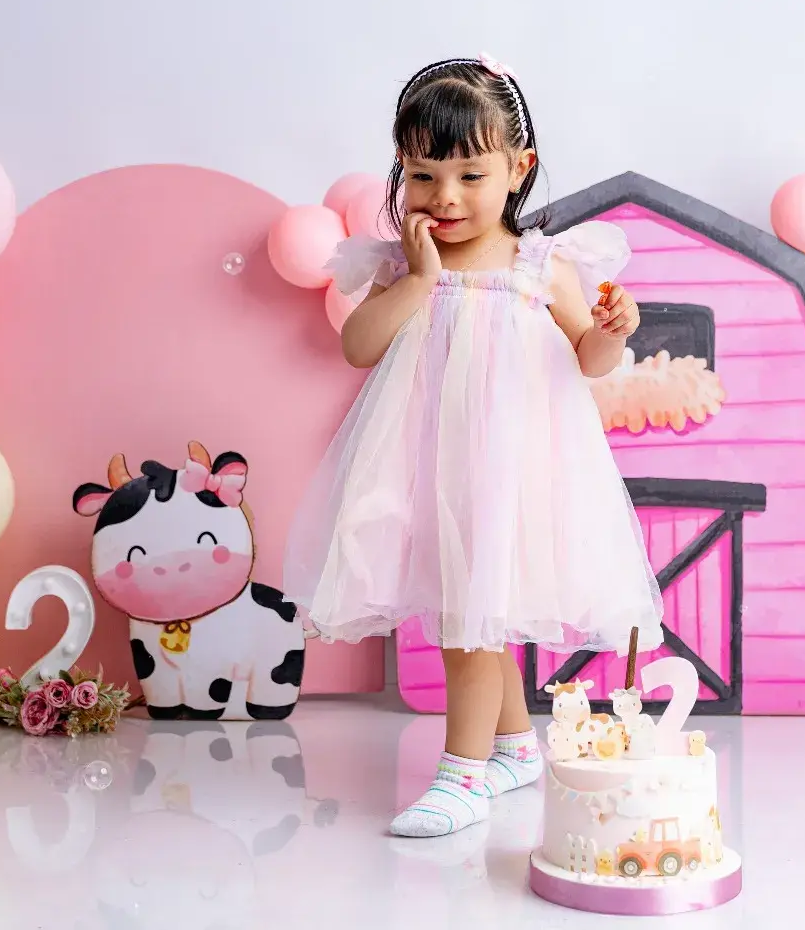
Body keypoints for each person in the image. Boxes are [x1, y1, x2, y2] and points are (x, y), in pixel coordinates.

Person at [284, 53, 664, 838]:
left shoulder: (540, 264)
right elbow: (359, 346)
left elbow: (589, 361)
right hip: (428, 465)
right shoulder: (405, 263)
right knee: (472, 607)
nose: (445, 197)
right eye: (423, 176)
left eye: (469, 175)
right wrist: (417, 281)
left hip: (512, 468)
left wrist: (611, 332)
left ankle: (462, 776)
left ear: (518, 170)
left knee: (474, 619)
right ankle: (515, 747)